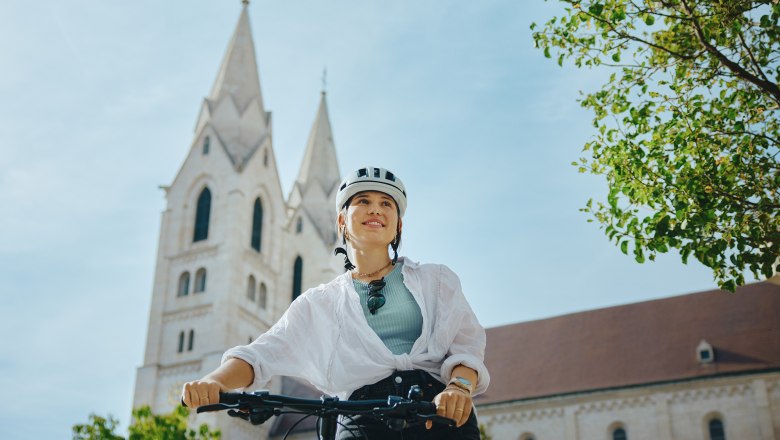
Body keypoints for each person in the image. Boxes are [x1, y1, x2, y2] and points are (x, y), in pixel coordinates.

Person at [182, 166, 489, 439]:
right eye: (364, 201)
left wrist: (458, 388)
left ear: (398, 226)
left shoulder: (436, 281)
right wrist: (214, 381)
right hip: (363, 423)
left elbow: (466, 348)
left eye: (386, 204)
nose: (376, 210)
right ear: (342, 220)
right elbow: (260, 355)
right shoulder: (319, 304)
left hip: (438, 417)